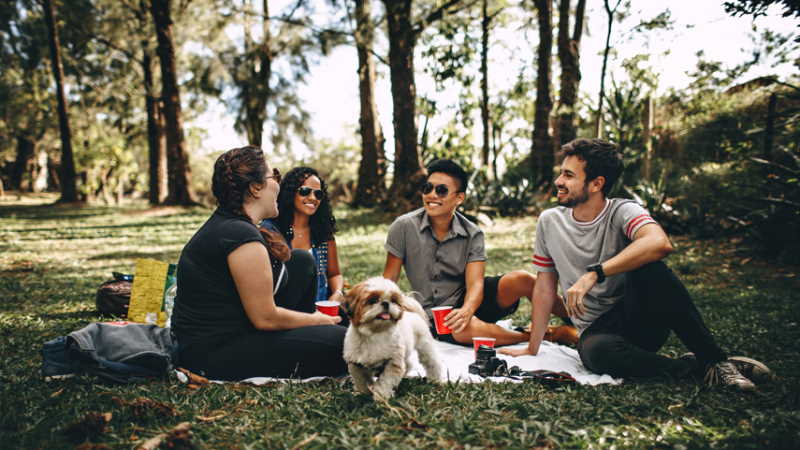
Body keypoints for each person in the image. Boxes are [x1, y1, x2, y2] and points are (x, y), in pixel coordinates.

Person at [500, 138, 771, 390]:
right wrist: (532, 347)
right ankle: (696, 367)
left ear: (596, 183)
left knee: (651, 267)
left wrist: (595, 273)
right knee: (595, 353)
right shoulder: (550, 221)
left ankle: (715, 360)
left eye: (569, 175)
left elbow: (659, 243)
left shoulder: (623, 211)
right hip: (598, 334)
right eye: (561, 173)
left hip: (641, 320)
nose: (559, 180)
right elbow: (545, 288)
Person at [171, 146, 347, 380]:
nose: (278, 183)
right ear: (255, 188)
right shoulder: (239, 236)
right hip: (216, 352)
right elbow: (265, 318)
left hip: (238, 329)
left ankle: (313, 332)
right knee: (347, 344)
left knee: (302, 261)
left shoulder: (234, 225)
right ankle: (317, 333)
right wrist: (317, 320)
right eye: (274, 175)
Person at [383, 158, 575, 346]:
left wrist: (467, 310)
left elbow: (475, 284)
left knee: (523, 279)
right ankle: (549, 335)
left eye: (441, 190)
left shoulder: (472, 233)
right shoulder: (403, 227)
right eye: (427, 188)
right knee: (461, 329)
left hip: (471, 299)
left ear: (459, 198)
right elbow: (388, 280)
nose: (432, 195)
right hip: (434, 314)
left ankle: (578, 319)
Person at [270, 167, 345, 305]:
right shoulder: (272, 230)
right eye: (305, 191)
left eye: (318, 194)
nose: (312, 198)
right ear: (290, 193)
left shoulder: (323, 233)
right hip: (284, 311)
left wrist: (337, 293)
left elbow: (334, 274)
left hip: (320, 308)